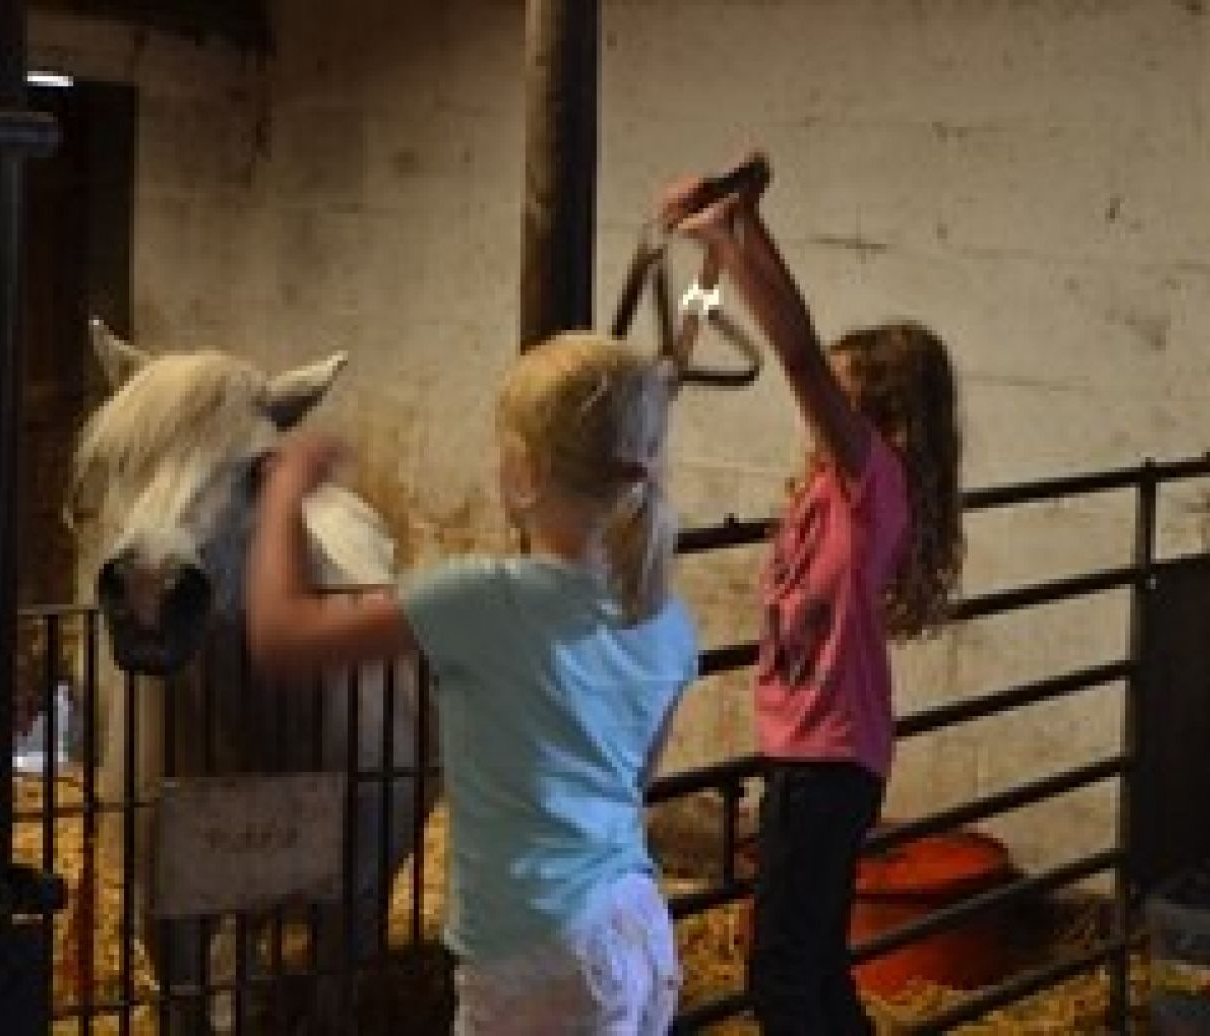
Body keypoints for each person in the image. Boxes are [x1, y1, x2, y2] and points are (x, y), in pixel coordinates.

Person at [246, 333, 698, 1035]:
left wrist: (282, 495)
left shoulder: (481, 600)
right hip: (634, 925)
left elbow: (279, 636)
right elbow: (632, 781)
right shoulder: (666, 617)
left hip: (533, 947)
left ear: (524, 470)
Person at [664, 159, 965, 1034]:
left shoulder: (874, 480)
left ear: (877, 409)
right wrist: (737, 229)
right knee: (818, 974)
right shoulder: (830, 491)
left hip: (827, 762)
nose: (814, 405)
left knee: (781, 979)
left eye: (840, 393)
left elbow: (792, 352)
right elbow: (801, 359)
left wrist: (739, 232)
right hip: (820, 759)